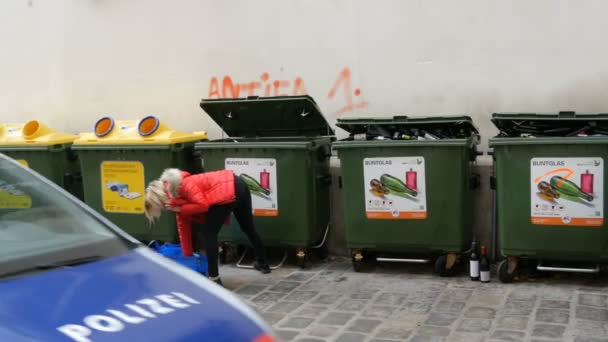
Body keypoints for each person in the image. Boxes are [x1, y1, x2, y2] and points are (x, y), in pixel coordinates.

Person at [144, 168, 271, 285]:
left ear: (161, 199)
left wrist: (180, 209)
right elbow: (183, 224)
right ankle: (263, 263)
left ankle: (214, 277)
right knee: (248, 228)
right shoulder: (175, 195)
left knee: (209, 233)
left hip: (230, 190)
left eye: (161, 207)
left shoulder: (185, 185)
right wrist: (187, 254)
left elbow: (202, 205)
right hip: (239, 185)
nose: (164, 210)